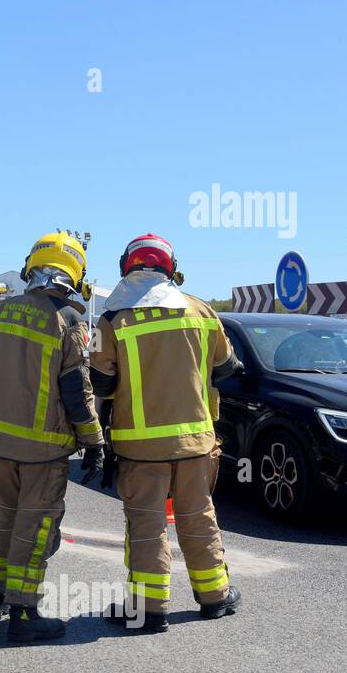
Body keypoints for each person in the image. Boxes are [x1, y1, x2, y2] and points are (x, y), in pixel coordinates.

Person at [88, 233, 243, 633]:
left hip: (141, 446)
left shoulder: (113, 319)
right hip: (196, 442)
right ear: (170, 269)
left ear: (128, 268)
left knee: (146, 525)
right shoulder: (201, 311)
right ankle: (215, 598)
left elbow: (100, 383)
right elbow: (228, 368)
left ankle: (148, 609)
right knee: (198, 517)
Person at [0, 232, 105, 643]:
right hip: (43, 450)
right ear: (75, 276)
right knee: (35, 527)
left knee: (2, 519)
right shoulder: (68, 321)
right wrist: (94, 442)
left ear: (32, 267)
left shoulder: (0, 313)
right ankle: (25, 614)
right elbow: (76, 393)